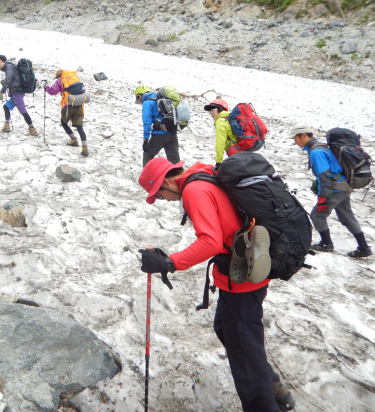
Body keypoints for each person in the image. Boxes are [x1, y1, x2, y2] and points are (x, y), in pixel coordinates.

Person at [137, 157, 296, 412]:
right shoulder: (204, 174)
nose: (164, 200)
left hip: (243, 279)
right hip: (243, 270)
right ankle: (272, 385)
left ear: (167, 180)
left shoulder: (193, 190)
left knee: (244, 355)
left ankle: (265, 401)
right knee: (225, 328)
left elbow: (210, 242)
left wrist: (169, 263)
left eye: (160, 194)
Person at [290, 125, 372, 257]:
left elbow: (324, 177)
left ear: (303, 135)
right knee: (346, 215)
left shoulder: (316, 152)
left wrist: (322, 198)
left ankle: (326, 244)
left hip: (336, 189)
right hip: (344, 186)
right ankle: (364, 247)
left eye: (295, 139)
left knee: (317, 215)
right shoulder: (322, 147)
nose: (295, 142)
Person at [45, 69, 89, 157]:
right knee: (80, 127)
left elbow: (52, 92)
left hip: (68, 106)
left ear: (59, 75)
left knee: (64, 123)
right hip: (79, 105)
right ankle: (85, 148)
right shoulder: (75, 79)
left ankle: (73, 139)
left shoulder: (60, 81)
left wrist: (45, 87)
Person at [135, 85, 180, 167]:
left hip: (160, 134)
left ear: (139, 95)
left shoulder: (147, 102)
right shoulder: (161, 98)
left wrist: (145, 139)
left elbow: (147, 122)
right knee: (174, 159)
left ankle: (147, 178)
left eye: (138, 99)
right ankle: (179, 178)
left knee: (147, 155)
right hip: (172, 132)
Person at [0, 55, 37, 137]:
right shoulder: (9, 67)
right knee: (6, 107)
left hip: (17, 93)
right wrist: (6, 83)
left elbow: (8, 79)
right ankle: (6, 126)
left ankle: (32, 130)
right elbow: (12, 80)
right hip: (15, 93)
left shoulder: (9, 67)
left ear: (0, 60)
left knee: (23, 111)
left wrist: (2, 92)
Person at [202, 98, 240, 168]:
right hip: (241, 149)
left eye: (213, 110)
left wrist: (218, 162)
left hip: (233, 150)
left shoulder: (220, 121)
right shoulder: (229, 118)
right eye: (210, 111)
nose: (211, 113)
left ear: (219, 109)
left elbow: (220, 142)